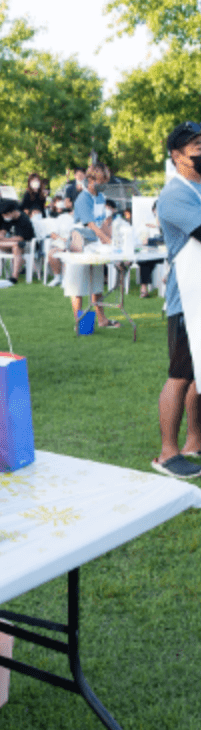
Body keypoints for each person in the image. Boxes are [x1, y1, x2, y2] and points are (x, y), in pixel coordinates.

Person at [152, 122, 201, 478]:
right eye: (196, 145)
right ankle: (167, 453)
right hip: (188, 299)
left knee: (200, 377)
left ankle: (194, 442)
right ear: (177, 155)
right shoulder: (173, 194)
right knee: (181, 374)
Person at [64, 161, 119, 330]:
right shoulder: (82, 198)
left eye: (105, 181)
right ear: (92, 180)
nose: (103, 185)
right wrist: (107, 240)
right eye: (101, 181)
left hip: (94, 244)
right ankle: (80, 323)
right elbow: (91, 225)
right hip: (79, 242)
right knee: (78, 285)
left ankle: (102, 320)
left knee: (96, 284)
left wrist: (111, 237)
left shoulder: (100, 197)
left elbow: (101, 223)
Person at [0, 199, 36, 283]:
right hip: (12, 244)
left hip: (27, 244)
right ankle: (21, 263)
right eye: (3, 215)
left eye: (6, 214)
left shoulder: (24, 219)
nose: (4, 216)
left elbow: (20, 238)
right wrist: (0, 235)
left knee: (16, 246)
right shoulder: (8, 219)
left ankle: (14, 277)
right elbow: (4, 230)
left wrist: (4, 239)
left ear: (13, 211)